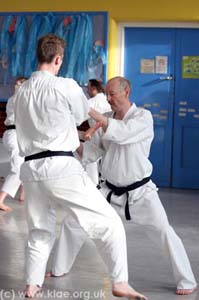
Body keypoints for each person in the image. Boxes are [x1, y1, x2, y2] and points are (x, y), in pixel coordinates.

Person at [13, 34, 147, 300]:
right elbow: (79, 115)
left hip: (31, 170)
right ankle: (120, 282)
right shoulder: (66, 85)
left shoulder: (22, 91)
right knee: (109, 223)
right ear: (58, 59)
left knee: (40, 231)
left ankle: (31, 285)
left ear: (37, 55)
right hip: (61, 166)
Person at [48, 76, 197, 296]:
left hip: (140, 193)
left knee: (165, 232)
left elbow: (122, 133)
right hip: (108, 191)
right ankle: (59, 268)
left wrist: (87, 108)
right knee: (74, 221)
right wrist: (69, 140)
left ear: (126, 92)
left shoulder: (142, 117)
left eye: (112, 94)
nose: (108, 99)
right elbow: (92, 152)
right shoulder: (106, 118)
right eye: (106, 94)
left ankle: (187, 280)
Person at [0, 77, 26, 211]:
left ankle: (23, 193)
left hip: (16, 134)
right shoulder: (18, 98)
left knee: (25, 163)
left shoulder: (16, 98)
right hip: (14, 134)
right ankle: (1, 199)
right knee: (17, 169)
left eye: (19, 84)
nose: (16, 86)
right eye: (16, 84)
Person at [85, 79, 111, 185]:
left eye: (88, 88)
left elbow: (78, 118)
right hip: (108, 133)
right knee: (106, 158)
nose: (87, 91)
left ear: (93, 88)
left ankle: (93, 185)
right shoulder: (107, 100)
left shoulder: (91, 102)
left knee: (91, 160)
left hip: (95, 133)